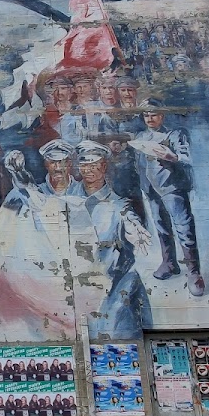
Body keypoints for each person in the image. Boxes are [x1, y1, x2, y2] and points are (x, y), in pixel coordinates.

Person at [75, 140, 153, 337]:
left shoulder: (119, 206)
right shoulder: (67, 199)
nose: (88, 170)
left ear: (104, 166)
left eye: (94, 164)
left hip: (112, 290)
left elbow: (127, 218)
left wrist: (133, 228)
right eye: (84, 164)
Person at [131, 98, 205, 295]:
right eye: (146, 115)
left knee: (183, 227)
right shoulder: (141, 136)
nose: (150, 118)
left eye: (154, 114)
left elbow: (187, 158)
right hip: (150, 189)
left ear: (162, 115)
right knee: (161, 225)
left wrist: (170, 156)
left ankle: (194, 272)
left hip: (172, 187)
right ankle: (169, 263)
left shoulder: (175, 134)